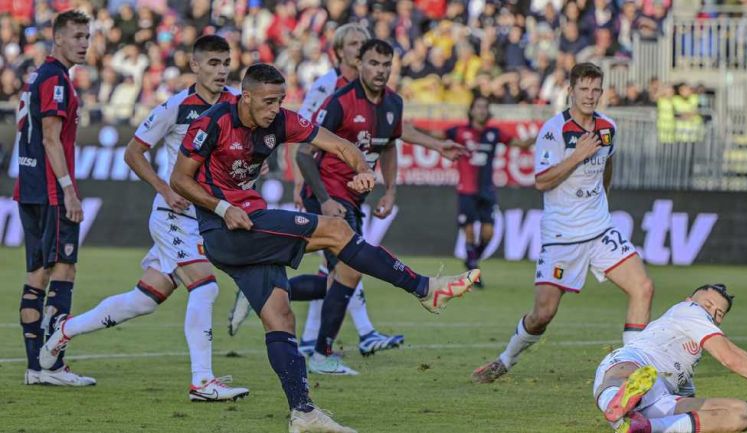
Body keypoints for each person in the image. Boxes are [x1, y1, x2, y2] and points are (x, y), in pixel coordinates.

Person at [169, 63, 478, 432]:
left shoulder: (280, 120)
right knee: (335, 229)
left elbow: (338, 144)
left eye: (280, 101)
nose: (274, 109)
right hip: (226, 229)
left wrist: (362, 169)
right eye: (268, 102)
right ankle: (425, 288)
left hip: (249, 225)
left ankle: (303, 413)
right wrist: (223, 207)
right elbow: (179, 179)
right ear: (245, 97)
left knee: (280, 316)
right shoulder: (213, 122)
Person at [227, 24, 467, 358]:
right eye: (359, 49)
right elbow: (305, 138)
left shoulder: (392, 101)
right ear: (347, 55)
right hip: (328, 192)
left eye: (385, 64)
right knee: (349, 270)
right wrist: (314, 191)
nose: (375, 65)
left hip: (353, 195)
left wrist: (392, 187)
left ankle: (274, 304)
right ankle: (328, 349)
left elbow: (390, 141)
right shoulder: (333, 92)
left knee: (337, 276)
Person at [40, 35, 249, 401]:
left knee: (144, 300)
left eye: (225, 62)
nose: (220, 70)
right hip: (175, 214)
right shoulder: (177, 106)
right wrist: (165, 189)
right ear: (194, 65)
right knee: (206, 286)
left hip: (206, 215)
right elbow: (134, 152)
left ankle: (64, 329)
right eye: (212, 63)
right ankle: (202, 382)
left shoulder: (236, 104)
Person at [471, 63, 655, 383]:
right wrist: (578, 155)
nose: (590, 96)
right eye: (583, 89)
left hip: (599, 229)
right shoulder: (554, 131)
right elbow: (541, 182)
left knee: (643, 287)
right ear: (570, 91)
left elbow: (607, 163)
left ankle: (630, 372)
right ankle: (505, 359)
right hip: (561, 236)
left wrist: (603, 196)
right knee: (543, 315)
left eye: (596, 89)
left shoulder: (608, 127)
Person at [13, 10, 95, 386]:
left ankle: (37, 367)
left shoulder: (38, 76)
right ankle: (52, 365)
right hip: (49, 190)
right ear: (58, 38)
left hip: (27, 186)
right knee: (64, 269)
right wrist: (68, 191)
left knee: (37, 275)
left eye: (87, 36)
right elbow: (50, 138)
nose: (84, 43)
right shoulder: (56, 80)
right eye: (77, 36)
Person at [593, 284, 747, 433]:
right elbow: (731, 358)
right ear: (688, 300)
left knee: (740, 413)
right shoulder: (689, 310)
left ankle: (643, 426)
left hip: (660, 398)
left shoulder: (692, 352)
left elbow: (687, 396)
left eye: (719, 313)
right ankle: (615, 403)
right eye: (708, 304)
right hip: (634, 362)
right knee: (629, 374)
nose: (711, 313)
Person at [441, 95, 534, 287]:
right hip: (466, 190)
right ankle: (473, 269)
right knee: (469, 233)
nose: (482, 110)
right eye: (478, 107)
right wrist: (409, 130)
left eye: (485, 107)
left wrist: (543, 134)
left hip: (487, 190)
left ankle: (472, 259)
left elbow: (521, 144)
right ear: (472, 110)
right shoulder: (459, 131)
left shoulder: (494, 132)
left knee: (488, 233)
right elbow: (436, 137)